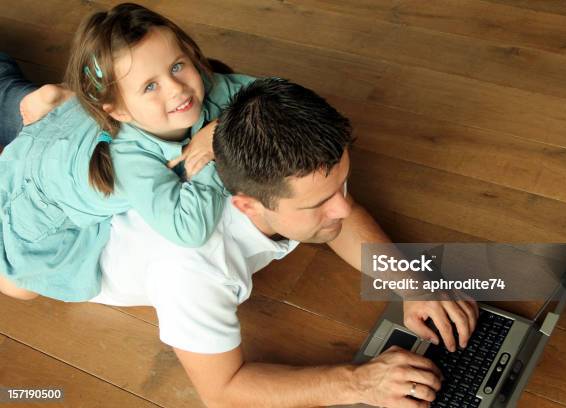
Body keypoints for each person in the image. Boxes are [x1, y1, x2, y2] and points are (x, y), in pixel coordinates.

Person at [86, 78, 479, 407]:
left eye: (341, 182)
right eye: (320, 202)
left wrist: (411, 282)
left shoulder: (274, 156)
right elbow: (222, 392)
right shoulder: (193, 270)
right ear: (248, 206)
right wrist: (359, 383)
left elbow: (342, 218)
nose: (344, 208)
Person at [0, 3, 255, 302]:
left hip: (66, 131)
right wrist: (215, 149)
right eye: (150, 86)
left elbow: (277, 92)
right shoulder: (129, 159)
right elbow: (188, 229)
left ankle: (58, 96)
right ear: (117, 109)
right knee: (19, 287)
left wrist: (218, 128)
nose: (176, 89)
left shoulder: (207, 87)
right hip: (35, 188)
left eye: (177, 66)